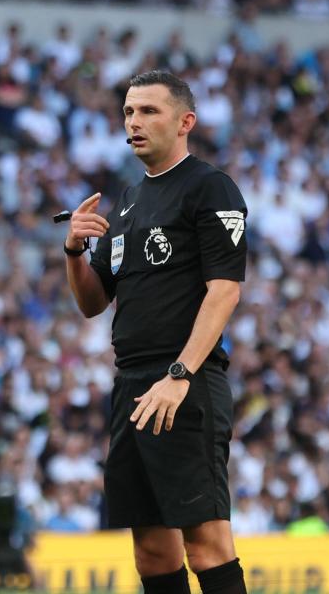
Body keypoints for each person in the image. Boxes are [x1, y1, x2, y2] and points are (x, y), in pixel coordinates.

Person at [63, 70, 248, 594]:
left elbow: (225, 291)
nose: (134, 123)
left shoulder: (209, 186)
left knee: (206, 541)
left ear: (185, 121)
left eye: (148, 111)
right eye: (127, 112)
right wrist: (74, 250)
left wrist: (180, 373)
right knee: (151, 550)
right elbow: (92, 302)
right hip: (132, 386)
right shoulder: (127, 201)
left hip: (185, 382)